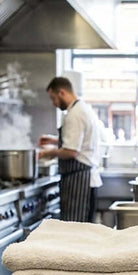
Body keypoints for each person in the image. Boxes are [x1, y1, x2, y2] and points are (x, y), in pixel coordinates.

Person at [38, 77, 104, 222]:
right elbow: (79, 142)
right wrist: (52, 140)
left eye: (53, 98)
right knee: (83, 229)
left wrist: (47, 153)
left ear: (62, 92)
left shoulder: (74, 114)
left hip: (78, 182)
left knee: (75, 230)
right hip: (84, 179)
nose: (53, 103)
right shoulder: (83, 108)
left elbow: (71, 151)